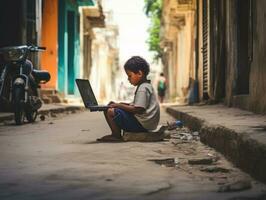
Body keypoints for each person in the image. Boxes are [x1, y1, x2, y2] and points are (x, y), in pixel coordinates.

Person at [97, 56, 160, 142]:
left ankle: (116, 135)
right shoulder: (146, 86)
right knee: (112, 106)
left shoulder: (143, 88)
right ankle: (116, 134)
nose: (128, 79)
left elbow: (138, 109)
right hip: (147, 124)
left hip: (142, 125)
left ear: (139, 74)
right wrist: (121, 104)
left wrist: (118, 105)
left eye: (130, 76)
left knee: (110, 110)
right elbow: (136, 105)